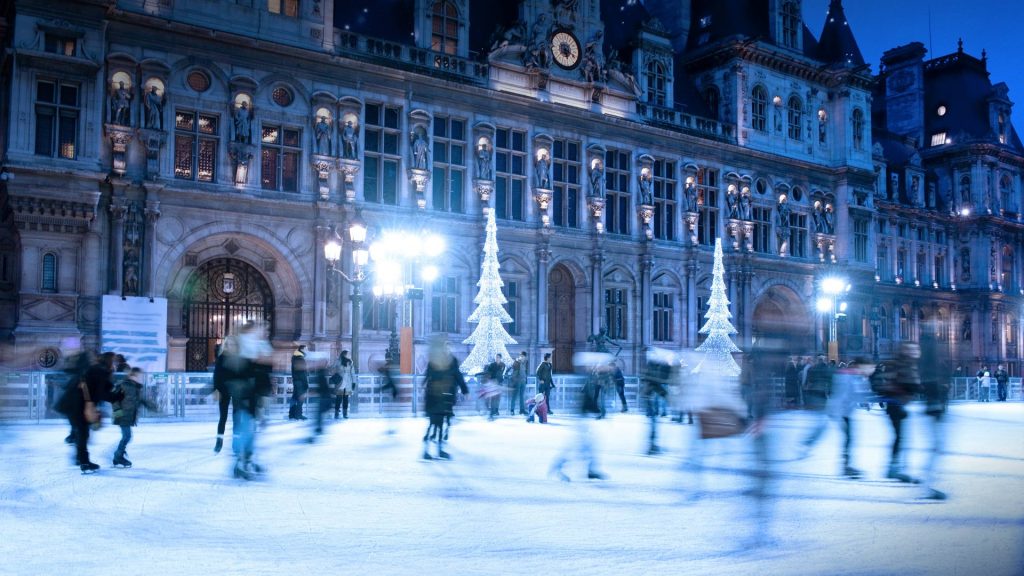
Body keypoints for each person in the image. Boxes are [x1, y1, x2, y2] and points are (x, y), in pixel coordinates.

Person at [550, 352, 610, 482]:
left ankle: (589, 469)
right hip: (582, 417)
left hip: (583, 416)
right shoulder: (588, 378)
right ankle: (561, 465)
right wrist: (596, 409)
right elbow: (586, 398)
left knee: (585, 445)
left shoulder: (588, 377)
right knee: (582, 445)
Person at [876, 342, 922, 483]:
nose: (914, 351)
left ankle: (897, 467)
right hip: (894, 404)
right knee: (900, 437)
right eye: (910, 349)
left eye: (915, 349)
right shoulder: (900, 364)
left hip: (898, 404)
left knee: (901, 437)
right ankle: (894, 468)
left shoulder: (907, 363)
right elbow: (893, 382)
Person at [71, 352, 124, 473]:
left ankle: (82, 459)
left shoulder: (98, 370)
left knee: (83, 433)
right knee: (83, 433)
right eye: (115, 361)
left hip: (80, 404)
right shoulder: (100, 371)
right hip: (81, 405)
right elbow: (101, 393)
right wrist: (117, 396)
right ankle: (84, 461)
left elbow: (104, 388)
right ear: (110, 361)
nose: (116, 364)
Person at [421, 337, 468, 460]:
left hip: (444, 397)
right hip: (434, 397)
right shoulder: (436, 361)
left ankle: (438, 450)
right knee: (433, 424)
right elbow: (428, 375)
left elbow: (458, 375)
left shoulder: (452, 361)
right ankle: (427, 450)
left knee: (440, 424)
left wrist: (464, 390)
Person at [827, 358, 873, 478]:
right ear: (861, 366)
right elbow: (844, 395)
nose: (871, 370)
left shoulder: (857, 376)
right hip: (842, 412)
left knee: (849, 438)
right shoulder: (850, 376)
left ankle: (846, 466)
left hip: (845, 412)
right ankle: (846, 466)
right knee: (849, 438)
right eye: (870, 367)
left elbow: (859, 394)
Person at [919, 326, 951, 499]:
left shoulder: (928, 368)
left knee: (936, 447)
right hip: (933, 409)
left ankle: (928, 485)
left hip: (933, 408)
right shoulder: (930, 368)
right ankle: (928, 486)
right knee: (936, 447)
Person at [111, 367, 158, 468]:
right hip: (123, 415)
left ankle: (118, 456)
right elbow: (114, 399)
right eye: (139, 376)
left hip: (129, 416)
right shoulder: (123, 385)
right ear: (133, 375)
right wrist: (118, 413)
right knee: (127, 436)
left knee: (127, 436)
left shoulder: (136, 387)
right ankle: (118, 456)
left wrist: (152, 407)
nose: (141, 378)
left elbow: (142, 400)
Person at [642, 348, 674, 455]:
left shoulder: (652, 367)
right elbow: (654, 384)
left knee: (653, 422)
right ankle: (651, 446)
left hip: (648, 397)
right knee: (653, 422)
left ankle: (652, 444)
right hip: (649, 398)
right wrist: (666, 396)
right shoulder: (653, 369)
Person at [482, 353, 506, 420]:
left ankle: (496, 410)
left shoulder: (503, 365)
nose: (497, 358)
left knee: (498, 397)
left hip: (499, 382)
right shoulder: (492, 365)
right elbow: (488, 373)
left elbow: (502, 373)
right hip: (493, 382)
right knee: (493, 397)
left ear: (500, 358)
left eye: (498, 357)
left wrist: (501, 379)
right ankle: (492, 411)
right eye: (496, 357)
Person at [333, 350, 355, 418]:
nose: (347, 355)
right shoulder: (338, 361)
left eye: (347, 354)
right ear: (342, 354)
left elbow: (353, 373)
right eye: (346, 354)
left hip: (348, 382)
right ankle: (336, 413)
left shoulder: (350, 362)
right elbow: (332, 368)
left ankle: (345, 414)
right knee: (338, 398)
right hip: (340, 382)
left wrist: (354, 382)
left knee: (346, 399)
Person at [289, 344, 309, 420]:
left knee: (294, 398)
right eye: (306, 349)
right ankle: (298, 415)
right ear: (302, 349)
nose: (307, 351)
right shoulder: (300, 358)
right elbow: (302, 372)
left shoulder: (295, 357)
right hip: (300, 381)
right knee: (300, 398)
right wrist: (306, 383)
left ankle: (292, 414)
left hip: (296, 381)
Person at [508, 351, 528, 415]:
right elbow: (514, 373)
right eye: (521, 356)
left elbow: (525, 372)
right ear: (519, 356)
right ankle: (512, 410)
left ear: (525, 357)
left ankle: (522, 410)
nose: (522, 357)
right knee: (514, 396)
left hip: (523, 381)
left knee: (522, 396)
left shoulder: (525, 363)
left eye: (523, 356)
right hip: (517, 381)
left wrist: (525, 380)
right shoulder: (516, 363)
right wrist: (514, 381)